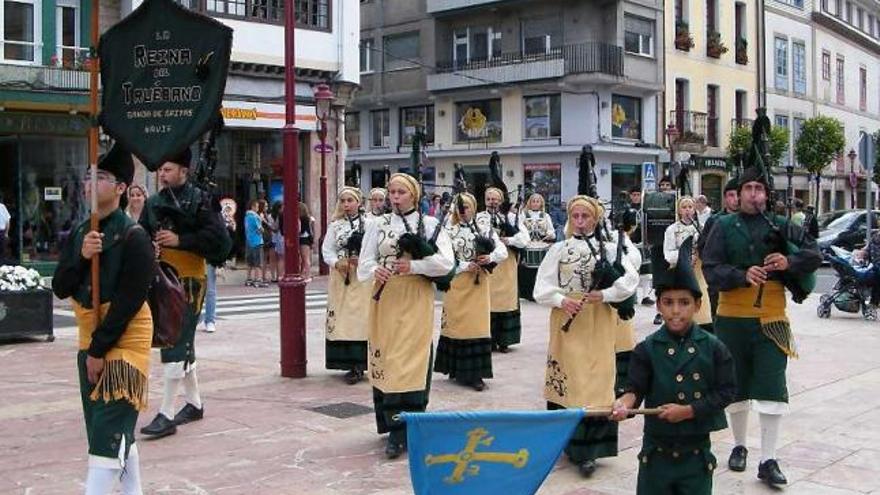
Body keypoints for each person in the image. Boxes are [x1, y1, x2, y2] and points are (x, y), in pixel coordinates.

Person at [702, 162, 822, 487]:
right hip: (731, 319)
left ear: (767, 195)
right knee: (736, 385)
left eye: (759, 190)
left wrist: (789, 261)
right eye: (748, 189)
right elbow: (710, 269)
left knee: (771, 386)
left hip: (771, 318)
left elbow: (815, 253)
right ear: (737, 195)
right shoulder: (722, 225)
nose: (754, 195)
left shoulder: (782, 225)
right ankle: (739, 446)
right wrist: (741, 276)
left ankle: (768, 459)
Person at [52, 144, 153, 494]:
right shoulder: (82, 232)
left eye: (101, 177)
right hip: (88, 340)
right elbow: (61, 287)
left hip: (122, 343)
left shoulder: (134, 237)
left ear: (122, 188)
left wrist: (98, 351)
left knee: (105, 441)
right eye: (88, 176)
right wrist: (81, 257)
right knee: (108, 432)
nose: (90, 183)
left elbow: (128, 303)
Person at [611, 237, 736, 495]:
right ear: (658, 306)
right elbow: (635, 389)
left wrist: (690, 410)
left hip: (696, 455)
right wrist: (624, 403)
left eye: (684, 302)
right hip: (656, 456)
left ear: (698, 305)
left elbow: (726, 392)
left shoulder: (713, 347)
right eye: (668, 303)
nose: (676, 311)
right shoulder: (646, 348)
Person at [534, 195, 639, 478]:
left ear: (595, 218)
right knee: (570, 378)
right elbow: (540, 287)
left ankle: (590, 450)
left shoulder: (609, 247)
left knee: (596, 380)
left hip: (598, 320)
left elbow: (630, 280)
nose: (580, 222)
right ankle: (566, 442)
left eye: (586, 216)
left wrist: (604, 294)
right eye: (575, 216)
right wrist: (560, 299)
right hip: (567, 320)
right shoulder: (559, 249)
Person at [357, 172, 454, 459]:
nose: (395, 197)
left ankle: (406, 428)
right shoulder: (378, 224)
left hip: (415, 298)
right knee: (389, 357)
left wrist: (413, 266)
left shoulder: (431, 224)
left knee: (409, 360)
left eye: (401, 192)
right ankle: (391, 423)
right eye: (392, 192)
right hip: (385, 298)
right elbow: (365, 262)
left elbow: (447, 264)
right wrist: (378, 270)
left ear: (413, 195)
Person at [138, 147, 232, 439]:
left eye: (168, 169)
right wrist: (148, 246)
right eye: (161, 170)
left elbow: (220, 241)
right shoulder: (153, 203)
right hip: (162, 279)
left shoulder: (202, 200)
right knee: (180, 340)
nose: (162, 175)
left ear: (183, 170)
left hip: (190, 281)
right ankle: (194, 403)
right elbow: (141, 234)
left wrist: (181, 240)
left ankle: (166, 413)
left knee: (175, 342)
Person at [435, 192, 507, 391]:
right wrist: (465, 265)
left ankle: (475, 373)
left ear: (473, 208)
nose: (462, 211)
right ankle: (456, 368)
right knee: (457, 326)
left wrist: (489, 257)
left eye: (466, 207)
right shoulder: (448, 230)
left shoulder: (483, 228)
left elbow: (502, 251)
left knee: (476, 327)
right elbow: (443, 258)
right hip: (457, 284)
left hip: (478, 287)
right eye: (459, 207)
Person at [322, 187, 372, 384]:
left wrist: (364, 261)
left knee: (360, 320)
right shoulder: (335, 226)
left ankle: (360, 365)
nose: (346, 204)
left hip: (362, 279)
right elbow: (327, 250)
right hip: (341, 278)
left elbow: (375, 249)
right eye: (343, 201)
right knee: (342, 319)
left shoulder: (370, 225)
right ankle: (346, 363)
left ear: (358, 202)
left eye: (350, 200)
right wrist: (337, 263)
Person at [477, 187, 528, 353]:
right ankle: (489, 339)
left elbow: (524, 239)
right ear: (485, 200)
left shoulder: (512, 217)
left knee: (505, 300)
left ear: (501, 200)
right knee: (488, 300)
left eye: (496, 199)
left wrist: (509, 239)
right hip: (489, 264)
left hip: (507, 264)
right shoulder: (479, 217)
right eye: (489, 199)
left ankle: (505, 340)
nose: (493, 202)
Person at [663, 196, 713, 332]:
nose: (687, 210)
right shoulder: (672, 230)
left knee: (702, 305)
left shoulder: (701, 228)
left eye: (690, 207)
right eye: (684, 207)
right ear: (679, 210)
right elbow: (668, 254)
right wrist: (684, 256)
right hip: (679, 271)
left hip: (698, 272)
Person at [697, 177, 738, 318]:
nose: (736, 199)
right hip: (719, 281)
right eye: (731, 195)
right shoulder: (715, 220)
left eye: (738, 194)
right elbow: (703, 248)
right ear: (725, 198)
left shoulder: (750, 220)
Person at [517, 193, 556, 301]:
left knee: (542, 271)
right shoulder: (523, 215)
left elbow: (552, 231)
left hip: (542, 245)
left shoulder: (545, 216)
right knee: (526, 270)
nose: (535, 203)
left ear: (541, 203)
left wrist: (549, 233)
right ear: (530, 202)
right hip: (527, 245)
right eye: (533, 201)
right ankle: (528, 294)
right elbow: (519, 228)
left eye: (537, 201)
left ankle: (541, 293)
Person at [244, 200, 267, 288]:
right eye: (256, 207)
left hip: (249, 240)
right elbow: (261, 229)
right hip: (257, 241)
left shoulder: (246, 216)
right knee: (258, 262)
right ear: (253, 207)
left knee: (250, 262)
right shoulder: (255, 217)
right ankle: (258, 279)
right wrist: (261, 219)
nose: (257, 209)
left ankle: (249, 278)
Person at [259, 199, 278, 283]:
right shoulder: (261, 215)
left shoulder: (267, 215)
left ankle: (269, 276)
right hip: (266, 237)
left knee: (269, 258)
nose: (267, 207)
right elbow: (268, 226)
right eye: (265, 206)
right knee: (267, 258)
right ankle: (265, 276)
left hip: (268, 237)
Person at [299, 202, 316, 280]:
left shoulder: (303, 219)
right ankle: (303, 273)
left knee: (305, 258)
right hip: (307, 238)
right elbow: (311, 230)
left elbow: (301, 230)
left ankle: (307, 275)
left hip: (303, 238)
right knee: (304, 258)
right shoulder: (309, 218)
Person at [0, 194, 10, 261]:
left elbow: (7, 220)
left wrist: (6, 233)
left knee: (2, 252)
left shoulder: (2, 207)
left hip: (1, 232)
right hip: (2, 232)